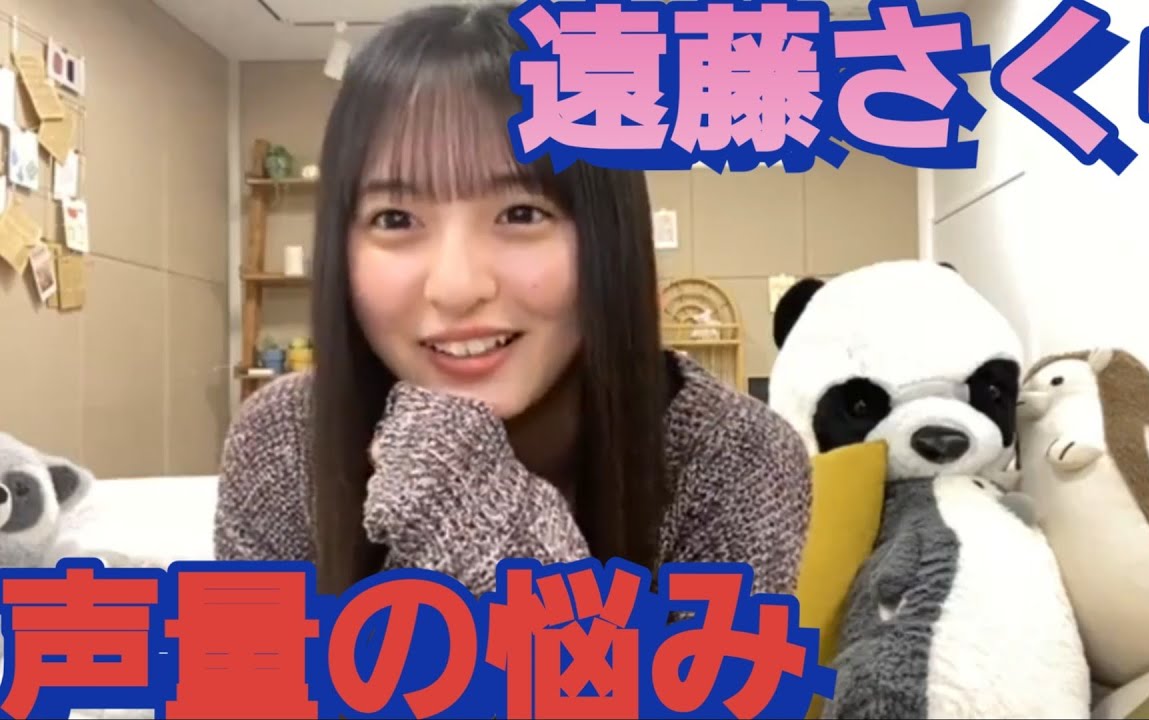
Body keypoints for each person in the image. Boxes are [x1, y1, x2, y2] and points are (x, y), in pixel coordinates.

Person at [214, 3, 812, 599]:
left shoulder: (736, 455)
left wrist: (472, 508)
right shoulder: (286, 437)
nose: (456, 287)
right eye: (394, 219)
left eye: (522, 213)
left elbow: (704, 669)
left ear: (609, 237)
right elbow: (247, 660)